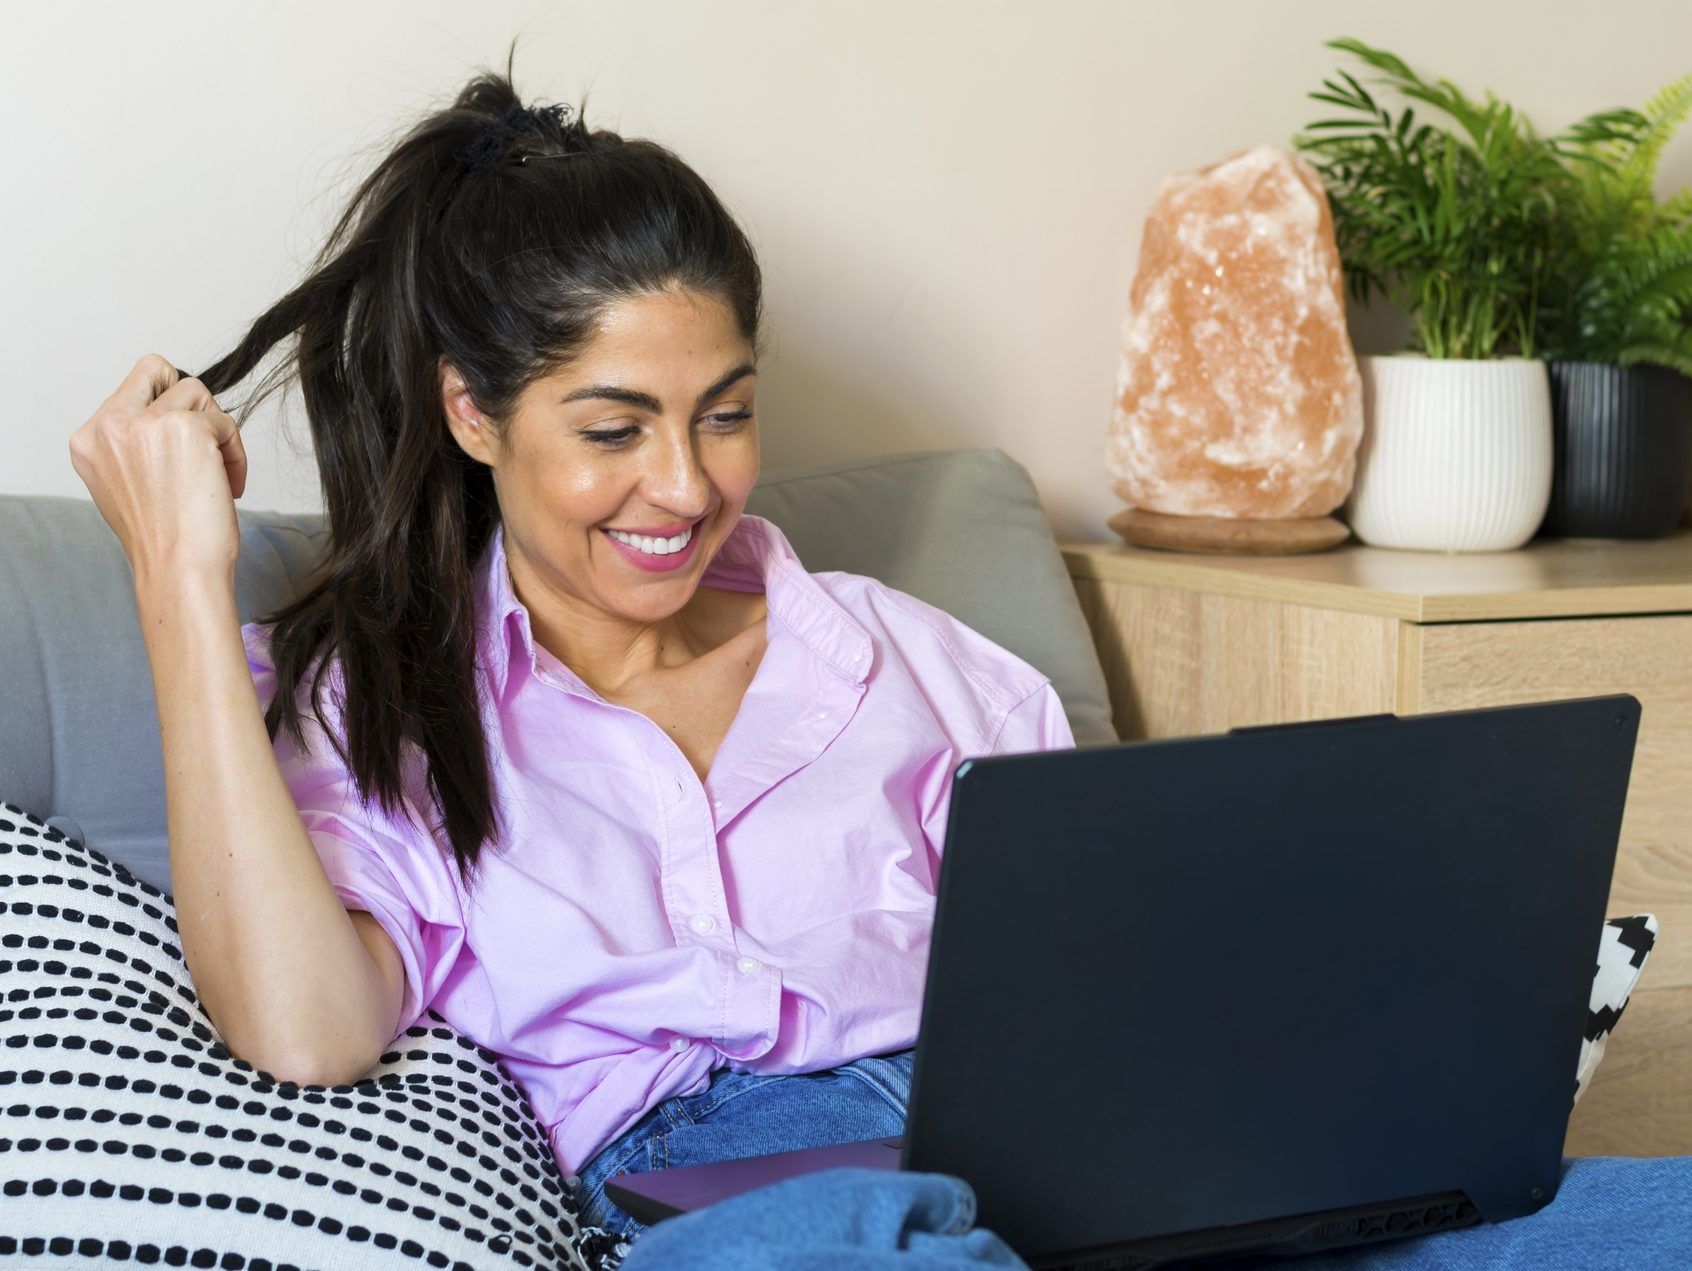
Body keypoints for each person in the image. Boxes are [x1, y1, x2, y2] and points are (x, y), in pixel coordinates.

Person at [66, 41, 1692, 1271]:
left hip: (1063, 1163)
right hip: (737, 1208)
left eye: (726, 413)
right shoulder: (394, 705)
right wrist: (176, 586)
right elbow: (303, 1033)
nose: (685, 486)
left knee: (1649, 1216)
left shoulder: (919, 663)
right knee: (858, 1245)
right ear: (472, 412)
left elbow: (1130, 984)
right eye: (614, 428)